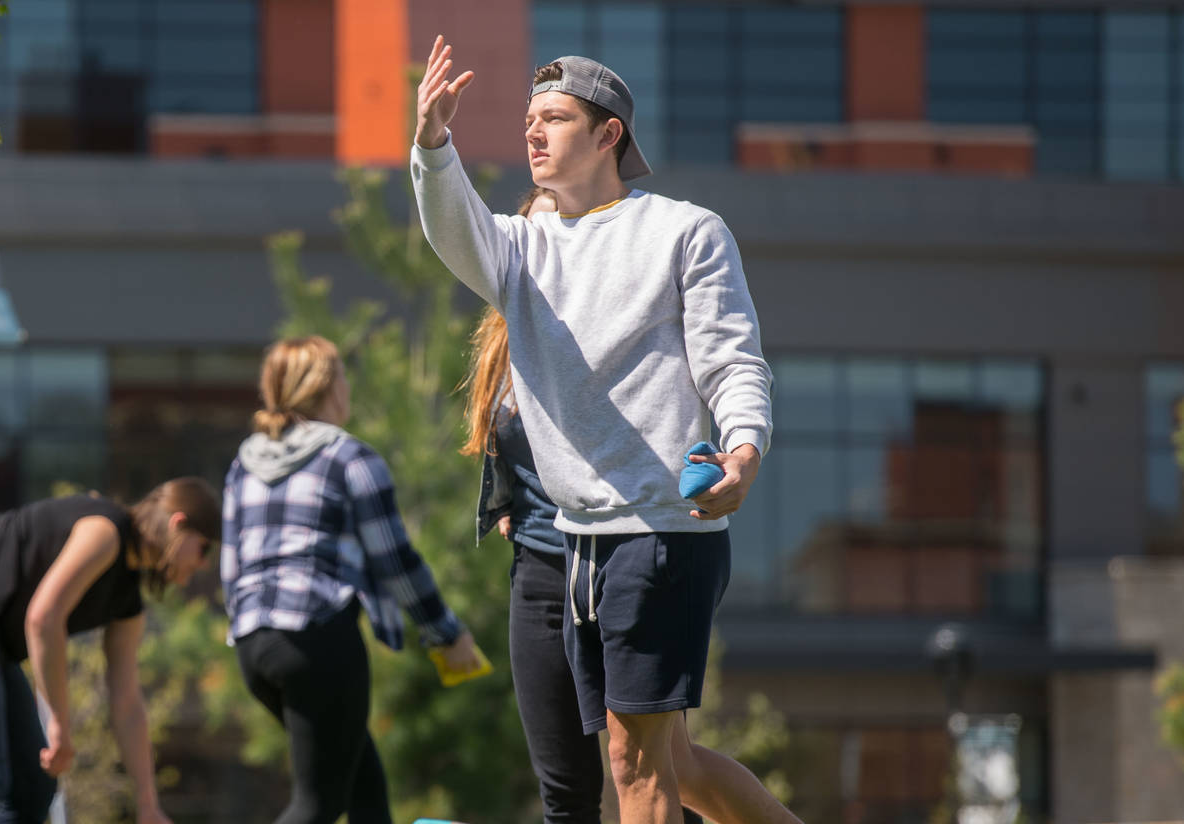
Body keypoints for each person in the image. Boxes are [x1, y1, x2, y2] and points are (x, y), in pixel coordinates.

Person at [413, 39, 797, 824]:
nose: (533, 132)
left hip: (660, 532)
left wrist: (745, 450)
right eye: (528, 119)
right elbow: (452, 230)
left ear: (608, 134)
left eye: (553, 117)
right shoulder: (521, 246)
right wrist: (431, 144)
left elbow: (734, 360)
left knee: (635, 764)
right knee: (655, 765)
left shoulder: (686, 231)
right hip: (577, 543)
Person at [221, 335, 481, 824]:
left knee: (364, 791)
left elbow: (230, 569)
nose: (348, 386)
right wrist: (446, 633)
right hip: (317, 639)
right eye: (341, 376)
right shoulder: (348, 458)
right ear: (323, 386)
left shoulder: (243, 464)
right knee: (318, 804)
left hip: (255, 646)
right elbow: (395, 559)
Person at [0, 478, 221, 824]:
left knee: (32, 790)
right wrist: (59, 725)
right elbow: (43, 618)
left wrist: (147, 805)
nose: (203, 564)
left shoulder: (127, 599)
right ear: (178, 524)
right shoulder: (104, 530)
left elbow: (127, 703)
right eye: (204, 549)